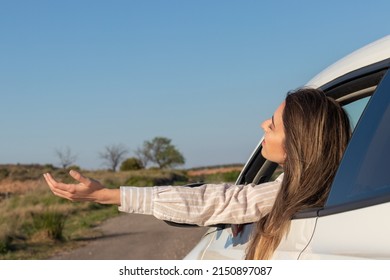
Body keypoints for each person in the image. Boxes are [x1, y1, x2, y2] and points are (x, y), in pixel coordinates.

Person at [43, 87, 351, 260]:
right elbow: (232, 203)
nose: (262, 126)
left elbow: (213, 201)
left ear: (296, 144)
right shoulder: (332, 187)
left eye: (271, 124)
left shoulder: (277, 196)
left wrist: (105, 195)